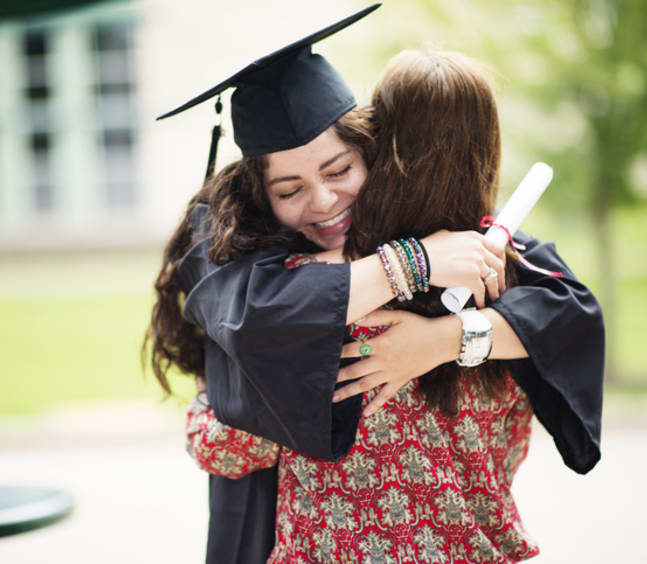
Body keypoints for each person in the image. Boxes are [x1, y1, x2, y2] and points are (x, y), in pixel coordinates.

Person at [145, 5, 604, 563]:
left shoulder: (471, 251)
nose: (322, 201)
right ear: (259, 197)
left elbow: (570, 313)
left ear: (374, 154)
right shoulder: (246, 275)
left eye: (339, 171)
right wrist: (412, 263)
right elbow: (236, 389)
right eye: (289, 191)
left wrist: (441, 340)